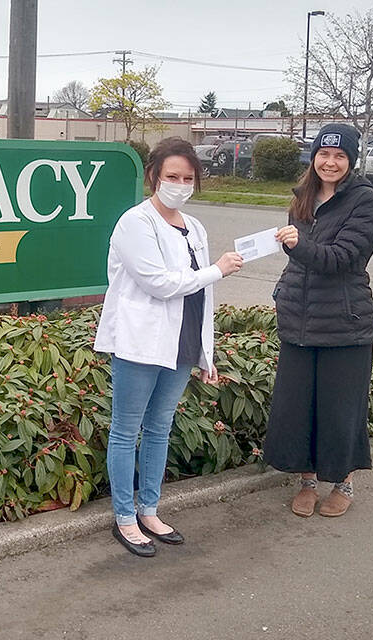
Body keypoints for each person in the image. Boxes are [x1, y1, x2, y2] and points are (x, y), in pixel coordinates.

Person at [94, 137, 243, 557]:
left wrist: (205, 353)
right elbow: (158, 283)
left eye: (187, 178)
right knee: (126, 429)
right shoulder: (134, 223)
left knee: (160, 427)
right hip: (141, 343)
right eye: (171, 176)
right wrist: (217, 270)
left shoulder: (194, 227)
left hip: (181, 342)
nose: (179, 184)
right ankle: (125, 517)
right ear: (154, 177)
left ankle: (150, 509)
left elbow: (202, 297)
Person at [265, 122, 373, 518]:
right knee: (299, 409)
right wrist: (282, 293)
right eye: (323, 154)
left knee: (340, 410)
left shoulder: (363, 201)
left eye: (339, 156)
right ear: (313, 157)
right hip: (299, 320)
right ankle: (307, 481)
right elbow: (299, 262)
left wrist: (299, 246)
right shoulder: (303, 197)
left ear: (351, 161)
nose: (330, 163)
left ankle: (344, 483)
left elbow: (341, 259)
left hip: (345, 324)